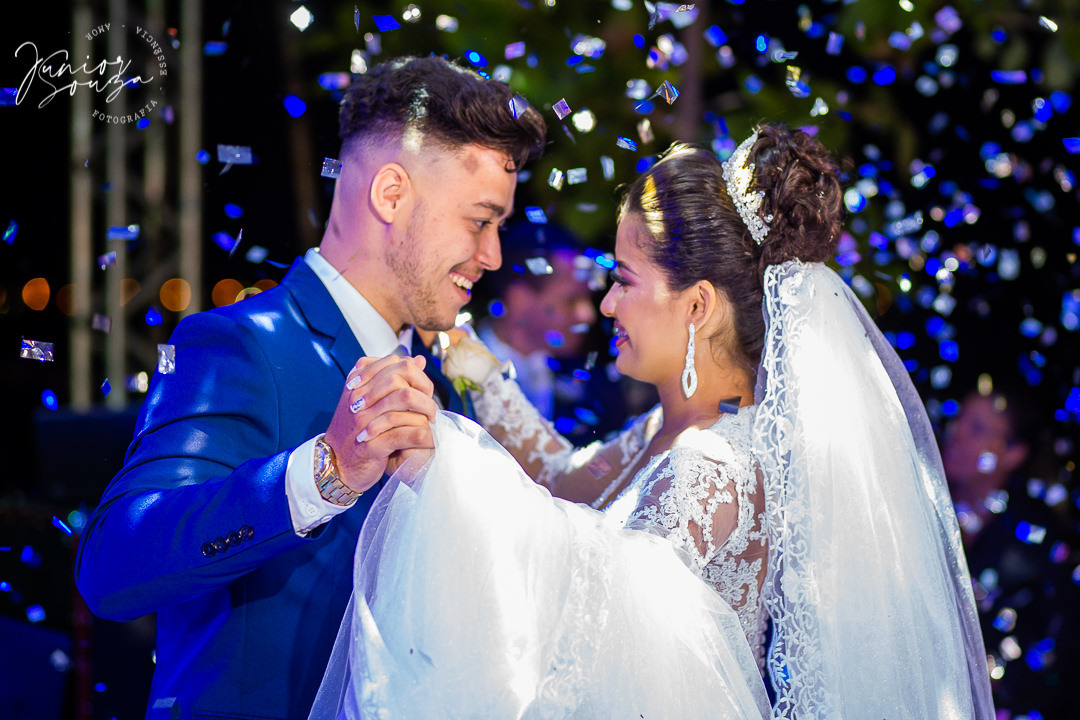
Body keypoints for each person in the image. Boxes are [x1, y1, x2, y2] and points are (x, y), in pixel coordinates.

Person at [313, 127, 995, 718]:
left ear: (697, 306)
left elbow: (595, 624)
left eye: (625, 279)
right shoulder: (671, 431)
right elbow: (562, 476)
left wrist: (447, 465)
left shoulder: (714, 468)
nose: (608, 305)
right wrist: (474, 366)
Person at [74, 55, 546, 720]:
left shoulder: (446, 380)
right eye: (479, 220)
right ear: (391, 195)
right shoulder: (240, 343)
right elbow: (112, 566)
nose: (493, 255)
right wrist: (326, 471)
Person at [943, 387, 1079, 718]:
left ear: (1014, 453)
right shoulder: (925, 505)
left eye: (977, 428)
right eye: (958, 419)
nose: (957, 433)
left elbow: (1054, 653)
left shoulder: (1036, 539)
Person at [472, 220, 634, 442]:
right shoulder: (452, 367)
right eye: (571, 300)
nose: (587, 314)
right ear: (519, 299)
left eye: (588, 299)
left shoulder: (597, 388)